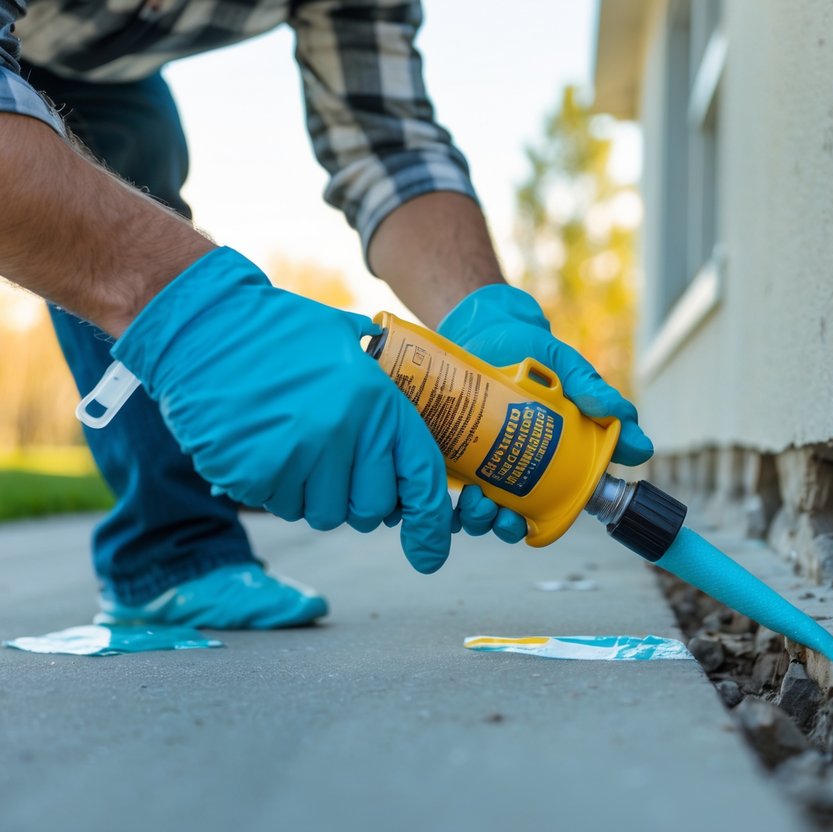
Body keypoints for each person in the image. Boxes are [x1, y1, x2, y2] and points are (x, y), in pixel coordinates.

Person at [0, 0, 652, 629]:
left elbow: (388, 145)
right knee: (123, 262)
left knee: (132, 152)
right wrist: (196, 314)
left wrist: (476, 313)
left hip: (107, 72)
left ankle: (169, 557)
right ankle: (176, 538)